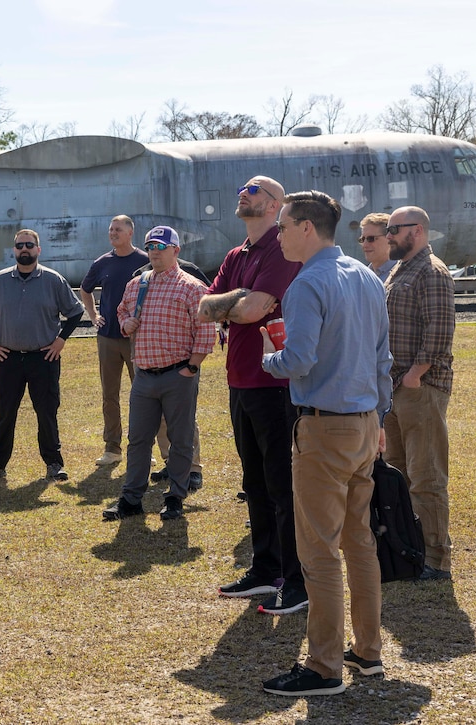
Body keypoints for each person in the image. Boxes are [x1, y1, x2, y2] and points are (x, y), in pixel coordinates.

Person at [260, 190, 392, 697]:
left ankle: (322, 668)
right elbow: (383, 356)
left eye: (284, 225)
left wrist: (270, 356)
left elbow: (299, 361)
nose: (279, 233)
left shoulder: (307, 283)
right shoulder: (364, 276)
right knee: (360, 545)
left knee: (317, 552)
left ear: (307, 228)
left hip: (324, 427)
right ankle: (368, 651)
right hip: (362, 424)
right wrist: (379, 416)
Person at [197, 176, 306, 615]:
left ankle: (296, 580)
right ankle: (266, 570)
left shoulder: (280, 250)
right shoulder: (235, 253)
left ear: (276, 205)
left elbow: (251, 309)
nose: (243, 192)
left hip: (275, 384)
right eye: (241, 188)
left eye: (255, 189)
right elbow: (205, 308)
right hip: (239, 382)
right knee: (254, 483)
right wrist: (236, 301)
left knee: (283, 485)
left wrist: (234, 303)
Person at [102, 226, 215, 522]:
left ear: (176, 251)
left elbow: (205, 333)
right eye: (151, 245)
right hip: (144, 375)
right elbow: (122, 310)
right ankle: (131, 498)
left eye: (161, 246)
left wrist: (191, 368)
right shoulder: (137, 284)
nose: (154, 251)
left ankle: (176, 496)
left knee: (180, 438)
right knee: (138, 439)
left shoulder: (192, 287)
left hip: (178, 374)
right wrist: (126, 323)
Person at [383, 205, 456, 581]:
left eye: (395, 228)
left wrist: (416, 374)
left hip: (421, 388)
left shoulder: (432, 271)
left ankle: (436, 559)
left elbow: (440, 331)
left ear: (419, 231)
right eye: (388, 228)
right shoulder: (399, 269)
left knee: (427, 477)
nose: (388, 234)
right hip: (395, 388)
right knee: (400, 474)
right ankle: (412, 551)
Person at [0, 229, 85, 482]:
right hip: (8, 359)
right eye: (19, 246)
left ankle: (54, 463)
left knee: (47, 411)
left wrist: (60, 341)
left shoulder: (53, 280)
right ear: (13, 250)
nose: (24, 249)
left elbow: (75, 312)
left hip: (44, 358)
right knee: (4, 412)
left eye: (29, 245)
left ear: (39, 250)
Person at [80, 215, 149, 466]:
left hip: (136, 338)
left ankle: (142, 448)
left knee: (142, 395)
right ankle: (112, 448)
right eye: (111, 229)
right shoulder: (102, 263)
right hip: (107, 337)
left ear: (131, 232)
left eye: (118, 229)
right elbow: (85, 290)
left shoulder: (145, 261)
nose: (113, 233)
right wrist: (94, 314)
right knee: (110, 395)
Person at [358, 212, 397, 282]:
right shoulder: (361, 276)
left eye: (371, 239)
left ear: (389, 238)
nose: (365, 245)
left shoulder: (402, 274)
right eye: (362, 239)